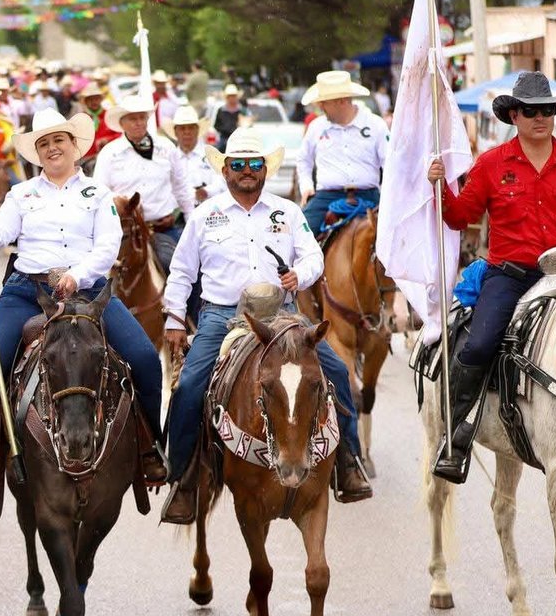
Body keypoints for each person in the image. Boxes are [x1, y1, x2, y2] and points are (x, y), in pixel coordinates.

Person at [426, 72, 556, 483]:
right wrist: (439, 188)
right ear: (513, 115)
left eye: (547, 109)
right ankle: (457, 438)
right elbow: (459, 216)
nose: (540, 117)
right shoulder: (490, 164)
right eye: (530, 110)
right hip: (508, 276)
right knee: (480, 343)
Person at [159, 128, 373, 524]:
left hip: (283, 314)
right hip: (223, 313)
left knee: (338, 373)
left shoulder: (287, 212)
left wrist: (299, 275)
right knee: (189, 386)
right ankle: (184, 480)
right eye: (237, 164)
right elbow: (182, 271)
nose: (245, 171)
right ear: (224, 170)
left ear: (264, 170)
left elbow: (313, 258)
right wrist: (174, 316)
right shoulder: (205, 215)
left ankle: (349, 463)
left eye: (253, 164)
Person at [0, 110, 168, 490]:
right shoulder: (22, 193)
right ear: (38, 153)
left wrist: (77, 275)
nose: (52, 148)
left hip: (87, 291)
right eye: (44, 143)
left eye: (59, 141)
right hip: (27, 290)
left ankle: (150, 448)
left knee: (146, 359)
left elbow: (106, 247)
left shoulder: (97, 195)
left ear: (74, 147)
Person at [93, 94, 193, 272]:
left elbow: (181, 188)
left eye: (142, 117)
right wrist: (119, 202)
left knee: (182, 268)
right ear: (122, 123)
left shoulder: (166, 148)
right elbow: (98, 194)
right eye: (132, 118)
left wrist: (191, 221)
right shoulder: (110, 153)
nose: (138, 122)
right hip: (123, 233)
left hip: (162, 229)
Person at [295, 70, 389, 237]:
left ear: (342, 101)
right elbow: (303, 159)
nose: (320, 106)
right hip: (326, 197)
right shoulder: (316, 127)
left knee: (395, 239)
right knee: (297, 237)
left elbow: (390, 164)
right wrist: (307, 186)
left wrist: (389, 194)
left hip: (369, 196)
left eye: (324, 102)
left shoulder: (376, 125)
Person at [163, 104, 217, 203]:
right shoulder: (168, 158)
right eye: (182, 128)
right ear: (176, 132)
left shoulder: (211, 155)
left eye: (191, 128)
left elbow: (222, 183)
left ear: (197, 130)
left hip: (208, 211)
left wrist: (207, 191)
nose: (187, 132)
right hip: (178, 212)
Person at [68, 83, 118, 166]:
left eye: (96, 99)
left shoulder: (108, 115)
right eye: (90, 99)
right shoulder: (81, 118)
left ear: (100, 100)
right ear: (86, 102)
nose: (94, 102)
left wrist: (107, 139)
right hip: (87, 159)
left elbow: (119, 135)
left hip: (109, 157)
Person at [212, 84, 246, 152]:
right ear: (226, 97)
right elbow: (216, 125)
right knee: (220, 149)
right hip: (224, 138)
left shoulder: (242, 110)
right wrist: (225, 129)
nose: (232, 98)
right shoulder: (221, 110)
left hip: (240, 139)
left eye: (233, 96)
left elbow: (248, 124)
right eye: (230, 96)